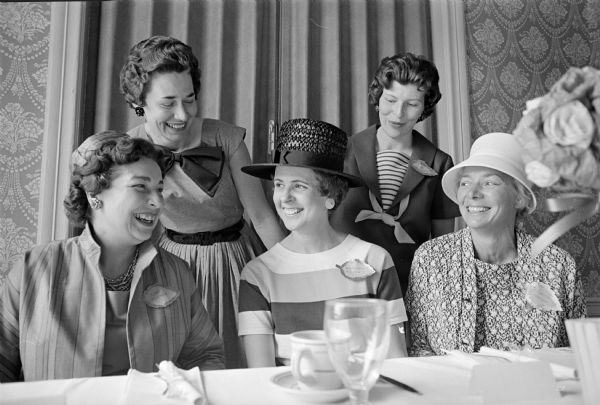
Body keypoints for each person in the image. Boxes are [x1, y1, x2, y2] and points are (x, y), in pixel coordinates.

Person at [0, 131, 224, 382]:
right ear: (94, 194)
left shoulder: (177, 272)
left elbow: (206, 356)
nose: (158, 202)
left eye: (159, 188)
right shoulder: (34, 268)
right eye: (140, 186)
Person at [119, 35, 286, 368]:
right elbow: (129, 228)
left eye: (190, 99)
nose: (183, 114)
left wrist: (296, 271)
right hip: (173, 267)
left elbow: (261, 215)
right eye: (168, 102)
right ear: (140, 102)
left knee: (240, 365)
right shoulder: (130, 149)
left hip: (235, 260)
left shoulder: (224, 138)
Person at [238, 118, 408, 367]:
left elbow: (396, 361)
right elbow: (259, 377)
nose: (284, 197)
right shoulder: (257, 275)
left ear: (330, 195)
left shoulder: (376, 260)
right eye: (278, 185)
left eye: (298, 186)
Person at [406, 132, 587, 357]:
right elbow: (419, 350)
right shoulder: (430, 259)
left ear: (519, 197)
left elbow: (580, 355)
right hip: (453, 390)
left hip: (537, 391)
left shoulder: (558, 265)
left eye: (489, 182)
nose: (472, 193)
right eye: (465, 183)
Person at [331, 52, 460, 294]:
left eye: (411, 104)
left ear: (424, 108)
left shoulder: (440, 163)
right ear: (377, 98)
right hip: (339, 286)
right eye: (390, 100)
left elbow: (441, 247)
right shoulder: (341, 151)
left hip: (406, 292)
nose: (398, 114)